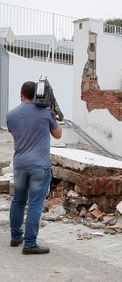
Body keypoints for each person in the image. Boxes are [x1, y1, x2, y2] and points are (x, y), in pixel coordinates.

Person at [6, 81, 62, 254]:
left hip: (20, 164)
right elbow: (58, 134)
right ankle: (30, 244)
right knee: (35, 203)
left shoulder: (11, 115)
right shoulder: (46, 113)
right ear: (39, 95)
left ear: (21, 94)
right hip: (40, 165)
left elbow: (14, 132)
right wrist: (52, 115)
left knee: (18, 200)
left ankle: (16, 237)